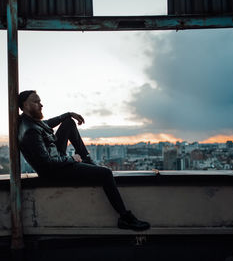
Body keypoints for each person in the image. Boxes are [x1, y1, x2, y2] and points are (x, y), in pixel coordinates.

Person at [17, 90, 150, 231]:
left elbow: (46, 124)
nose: (41, 105)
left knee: (68, 123)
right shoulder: (30, 131)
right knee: (105, 174)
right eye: (36, 102)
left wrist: (68, 114)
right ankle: (125, 218)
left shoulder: (28, 120)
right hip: (55, 170)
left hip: (55, 157)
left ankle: (88, 161)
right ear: (25, 105)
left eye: (40, 101)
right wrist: (71, 159)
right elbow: (47, 163)